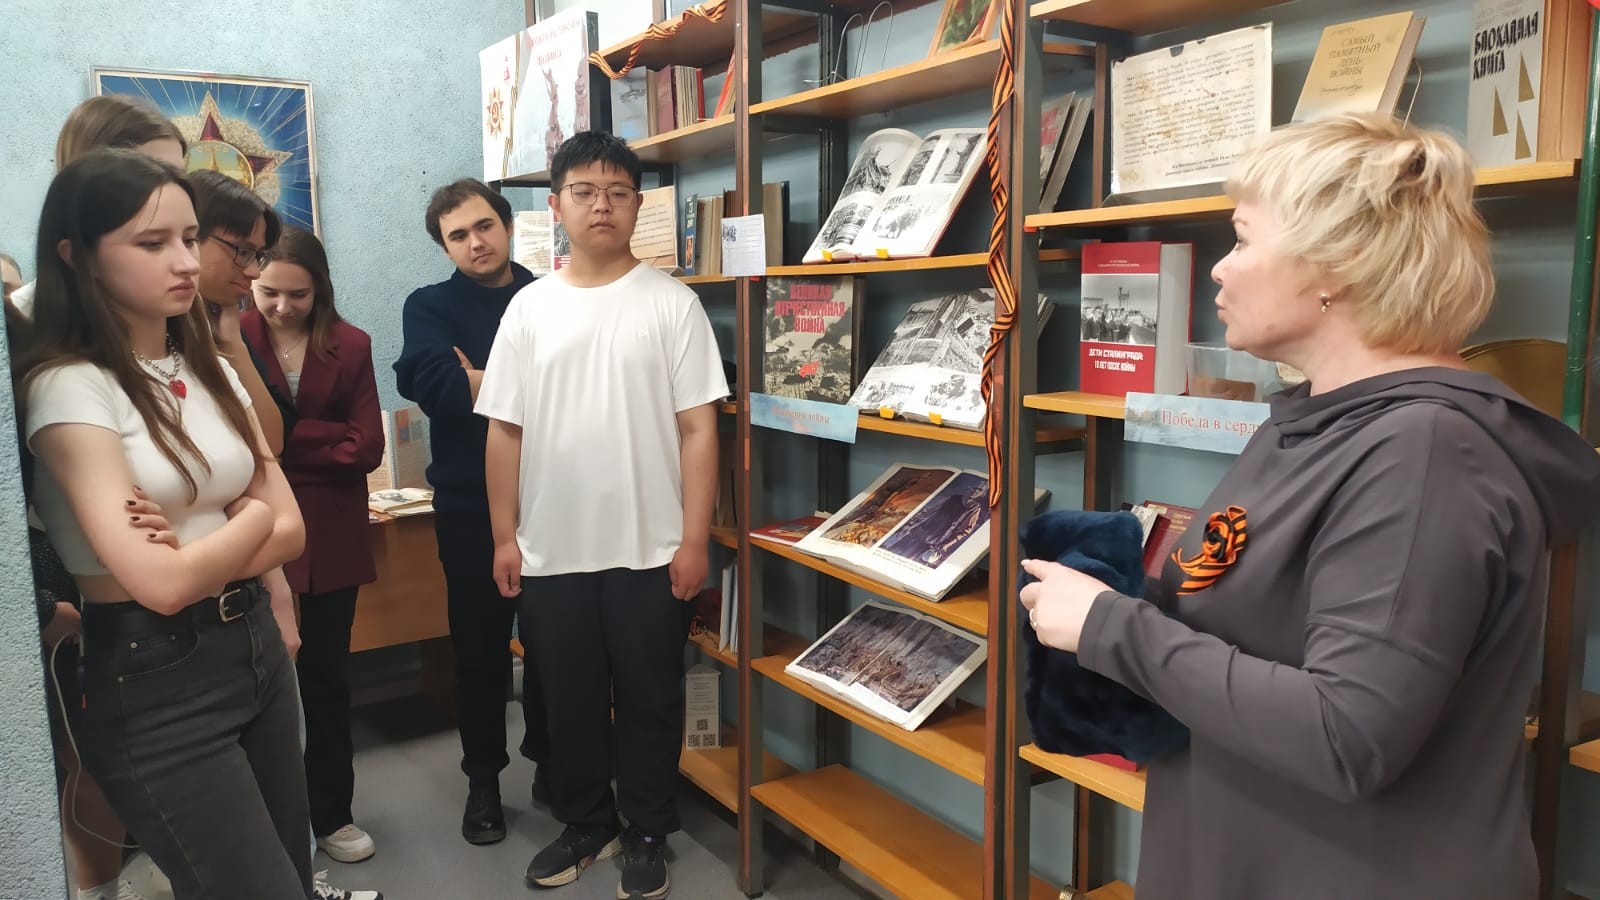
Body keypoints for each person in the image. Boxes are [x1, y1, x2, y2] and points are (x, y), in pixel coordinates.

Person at [1018, 113, 1600, 900]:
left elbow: (1346, 736)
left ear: (1339, 265)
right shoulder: (1307, 423)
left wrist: (1109, 627)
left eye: (1241, 240)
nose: (1219, 270)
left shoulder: (1426, 454)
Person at [20, 148, 309, 899]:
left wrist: (212, 541)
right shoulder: (69, 385)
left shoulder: (209, 366)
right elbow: (163, 584)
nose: (184, 262)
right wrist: (249, 515)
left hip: (253, 645)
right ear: (76, 254)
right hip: (154, 671)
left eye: (188, 238)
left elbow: (296, 530)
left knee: (295, 875)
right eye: (151, 243)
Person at [478, 132, 726, 899]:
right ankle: (589, 822)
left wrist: (694, 539)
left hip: (652, 548)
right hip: (551, 548)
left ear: (638, 205)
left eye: (618, 192)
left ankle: (648, 828)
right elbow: (504, 430)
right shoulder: (528, 308)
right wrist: (504, 536)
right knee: (569, 700)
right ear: (556, 206)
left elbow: (699, 429)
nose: (602, 206)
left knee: (652, 696)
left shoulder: (673, 305)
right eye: (584, 192)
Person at [394, 177, 548, 846]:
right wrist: (528, 382)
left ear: (506, 225)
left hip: (552, 500)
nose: (475, 242)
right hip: (469, 509)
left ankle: (552, 763)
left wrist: (478, 376)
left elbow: (582, 384)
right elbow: (435, 387)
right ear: (445, 246)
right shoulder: (429, 305)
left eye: (484, 226)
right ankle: (483, 781)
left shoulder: (549, 296)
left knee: (554, 648)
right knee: (480, 651)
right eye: (458, 235)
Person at [242, 227, 384, 863]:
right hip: (252, 527)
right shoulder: (227, 338)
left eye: (296, 295)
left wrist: (283, 441)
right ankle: (262, 824)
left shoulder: (351, 343)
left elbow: (369, 446)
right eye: (268, 292)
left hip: (332, 531)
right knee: (253, 688)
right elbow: (233, 442)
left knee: (327, 679)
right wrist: (323, 437)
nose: (281, 306)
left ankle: (332, 814)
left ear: (319, 289)